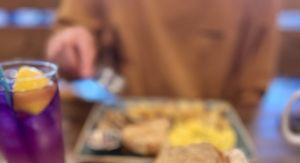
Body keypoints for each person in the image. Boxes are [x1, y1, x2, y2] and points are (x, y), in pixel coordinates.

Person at [47, 0, 279, 115]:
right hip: (128, 121)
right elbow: (71, 31)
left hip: (217, 130)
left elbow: (254, 85)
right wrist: (69, 43)